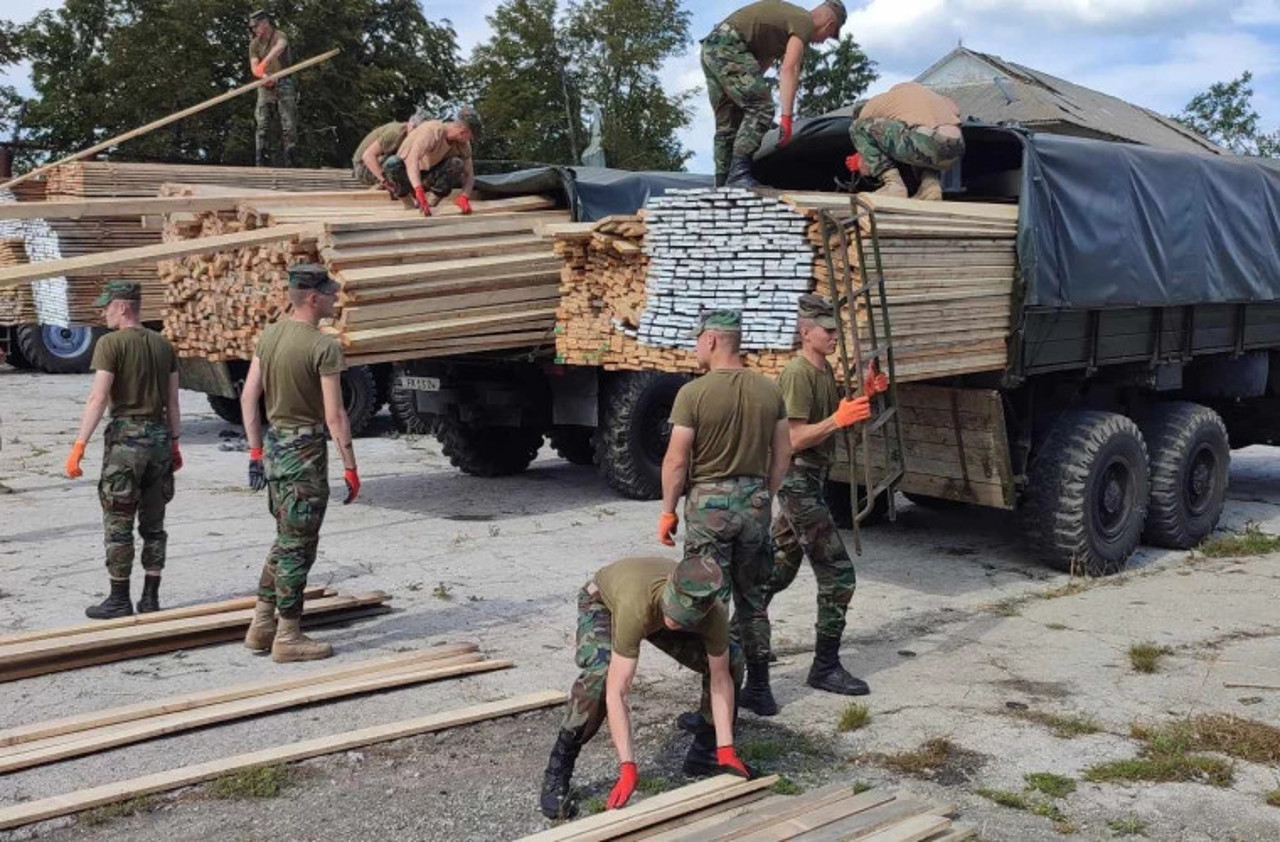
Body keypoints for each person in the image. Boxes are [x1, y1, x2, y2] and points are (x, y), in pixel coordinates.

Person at [748, 294, 889, 713]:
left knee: (778, 570)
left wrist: (863, 396)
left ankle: (744, 638)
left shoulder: (823, 370)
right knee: (838, 575)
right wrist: (837, 420)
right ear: (805, 332)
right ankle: (824, 667)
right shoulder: (797, 374)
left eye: (835, 330)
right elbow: (792, 438)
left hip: (812, 478)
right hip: (797, 480)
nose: (833, 336)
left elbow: (834, 416)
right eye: (826, 330)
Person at [539, 556, 751, 820]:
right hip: (603, 602)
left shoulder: (713, 612)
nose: (675, 620)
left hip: (653, 611)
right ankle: (559, 766)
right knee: (601, 675)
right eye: (673, 611)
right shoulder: (636, 604)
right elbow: (618, 691)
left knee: (732, 661)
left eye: (683, 617)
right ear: (669, 588)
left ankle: (708, 753)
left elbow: (720, 678)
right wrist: (628, 767)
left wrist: (726, 748)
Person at [659, 310, 791, 715]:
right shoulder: (769, 390)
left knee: (711, 603)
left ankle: (714, 706)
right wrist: (764, 495)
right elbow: (783, 452)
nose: (695, 348)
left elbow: (676, 461)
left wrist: (668, 511)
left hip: (709, 507)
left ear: (712, 340)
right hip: (755, 502)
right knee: (753, 599)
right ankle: (760, 689)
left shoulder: (693, 394)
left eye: (697, 340)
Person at [240, 264, 360, 663]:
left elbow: (248, 397)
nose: (335, 298)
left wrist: (255, 453)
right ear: (312, 298)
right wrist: (350, 466)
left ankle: (262, 625)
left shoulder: (270, 336)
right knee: (297, 546)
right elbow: (335, 415)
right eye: (330, 293)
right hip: (305, 453)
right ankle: (288, 635)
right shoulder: (323, 346)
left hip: (275, 449)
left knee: (285, 538)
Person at [65, 281, 181, 619]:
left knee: (119, 521)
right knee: (154, 524)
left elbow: (98, 397)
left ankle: (119, 598)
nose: (104, 313)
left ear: (124, 307)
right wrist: (174, 443)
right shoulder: (164, 345)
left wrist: (79, 444)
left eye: (107, 307)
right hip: (159, 439)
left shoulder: (110, 344)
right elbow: (173, 402)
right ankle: (150, 597)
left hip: (126, 444)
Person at [701, 1, 845, 187]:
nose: (823, 41)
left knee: (729, 121)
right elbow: (790, 69)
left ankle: (722, 182)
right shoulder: (804, 22)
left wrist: (749, 101)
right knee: (761, 108)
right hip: (729, 45)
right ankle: (738, 175)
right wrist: (786, 119)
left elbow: (757, 70)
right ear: (829, 25)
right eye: (828, 36)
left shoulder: (780, 27)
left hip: (712, 47)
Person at [848, 82, 964, 200]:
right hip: (955, 149)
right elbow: (956, 114)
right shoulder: (935, 98)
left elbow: (862, 132)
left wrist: (866, 158)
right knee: (922, 147)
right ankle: (930, 185)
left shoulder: (880, 101)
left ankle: (894, 185)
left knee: (857, 127)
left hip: (924, 141)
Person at [381, 107, 482, 217]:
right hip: (408, 176)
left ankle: (430, 204)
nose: (469, 140)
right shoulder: (432, 131)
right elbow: (412, 159)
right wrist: (418, 189)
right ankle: (408, 204)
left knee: (456, 164)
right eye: (470, 137)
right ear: (463, 131)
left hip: (428, 177)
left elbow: (469, 173)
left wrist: (464, 196)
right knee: (392, 163)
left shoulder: (463, 145)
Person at [248, 10, 298, 167]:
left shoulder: (279, 35)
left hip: (283, 81)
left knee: (289, 124)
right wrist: (264, 76)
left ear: (264, 23)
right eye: (252, 28)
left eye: (256, 26)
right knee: (262, 123)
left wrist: (265, 63)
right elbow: (255, 68)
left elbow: (280, 47)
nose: (254, 30)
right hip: (265, 85)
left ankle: (291, 161)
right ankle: (260, 161)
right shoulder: (254, 44)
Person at [351, 108, 428, 191]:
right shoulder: (396, 133)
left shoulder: (413, 137)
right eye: (417, 131)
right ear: (411, 125)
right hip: (363, 168)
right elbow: (367, 156)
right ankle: (385, 182)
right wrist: (385, 181)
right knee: (396, 161)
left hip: (376, 163)